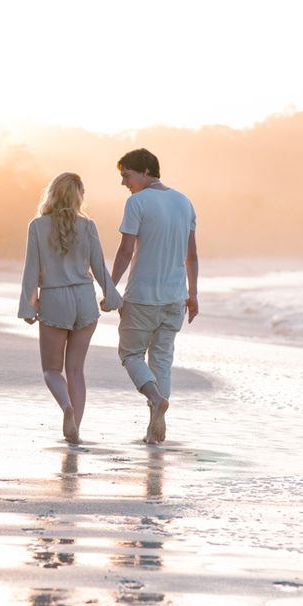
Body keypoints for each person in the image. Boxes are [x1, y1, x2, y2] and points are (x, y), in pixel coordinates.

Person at [103, 148, 198, 444]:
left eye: (126, 175)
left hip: (143, 297)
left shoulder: (137, 202)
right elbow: (191, 256)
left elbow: (125, 251)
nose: (123, 183)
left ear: (145, 171)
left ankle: (155, 399)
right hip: (175, 299)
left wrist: (109, 288)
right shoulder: (184, 202)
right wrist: (193, 294)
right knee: (161, 360)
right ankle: (155, 429)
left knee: (130, 354)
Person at [19, 172, 122, 443]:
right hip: (84, 300)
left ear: (51, 193)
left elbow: (31, 270)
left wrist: (29, 307)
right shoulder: (88, 226)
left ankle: (66, 407)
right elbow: (99, 266)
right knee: (76, 371)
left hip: (55, 299)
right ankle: (75, 424)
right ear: (79, 197)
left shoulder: (38, 226)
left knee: (52, 370)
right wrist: (112, 297)